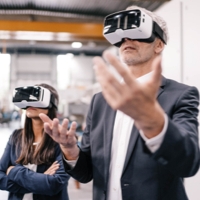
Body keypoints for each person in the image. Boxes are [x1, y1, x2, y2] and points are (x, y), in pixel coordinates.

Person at [39, 6, 200, 200]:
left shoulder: (181, 95)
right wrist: (70, 150)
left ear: (158, 45)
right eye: (122, 37)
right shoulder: (100, 101)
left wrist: (153, 122)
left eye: (136, 34)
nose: (126, 40)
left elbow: (188, 163)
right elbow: (86, 173)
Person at [0, 83, 70, 200]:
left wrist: (14, 171)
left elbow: (54, 185)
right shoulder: (16, 137)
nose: (31, 103)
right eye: (29, 99)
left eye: (37, 98)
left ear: (51, 104)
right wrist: (40, 179)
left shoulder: (63, 140)